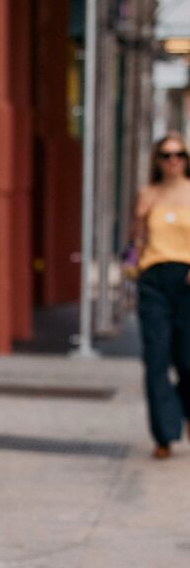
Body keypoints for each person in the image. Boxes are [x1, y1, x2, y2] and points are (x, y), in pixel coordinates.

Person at [131, 131, 190, 458]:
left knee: (187, 358)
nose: (173, 162)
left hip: (187, 280)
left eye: (179, 155)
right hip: (154, 280)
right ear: (158, 161)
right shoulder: (147, 194)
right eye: (167, 156)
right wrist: (135, 259)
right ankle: (164, 434)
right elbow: (135, 241)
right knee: (155, 357)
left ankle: (187, 413)